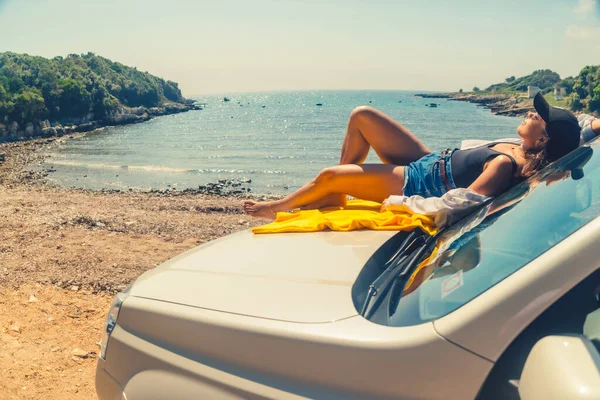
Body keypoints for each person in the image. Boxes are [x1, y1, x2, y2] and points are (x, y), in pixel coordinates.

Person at [243, 93, 582, 220]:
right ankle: (334, 196)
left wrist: (403, 204)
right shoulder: (516, 146)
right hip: (429, 160)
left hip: (417, 182)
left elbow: (461, 202)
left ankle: (275, 208)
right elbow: (582, 133)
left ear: (545, 138)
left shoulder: (505, 165)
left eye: (539, 118)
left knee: (328, 174)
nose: (531, 114)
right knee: (362, 115)